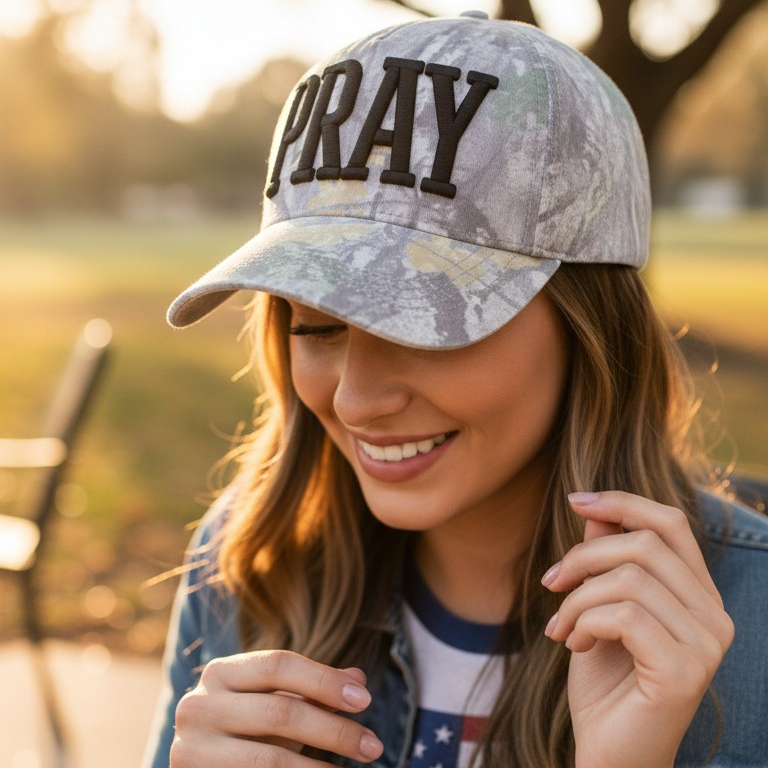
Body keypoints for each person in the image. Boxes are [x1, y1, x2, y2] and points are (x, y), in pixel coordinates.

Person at [143, 12, 768, 768]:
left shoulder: (754, 621)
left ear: (591, 329)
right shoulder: (246, 565)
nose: (353, 400)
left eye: (423, 322)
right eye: (314, 326)